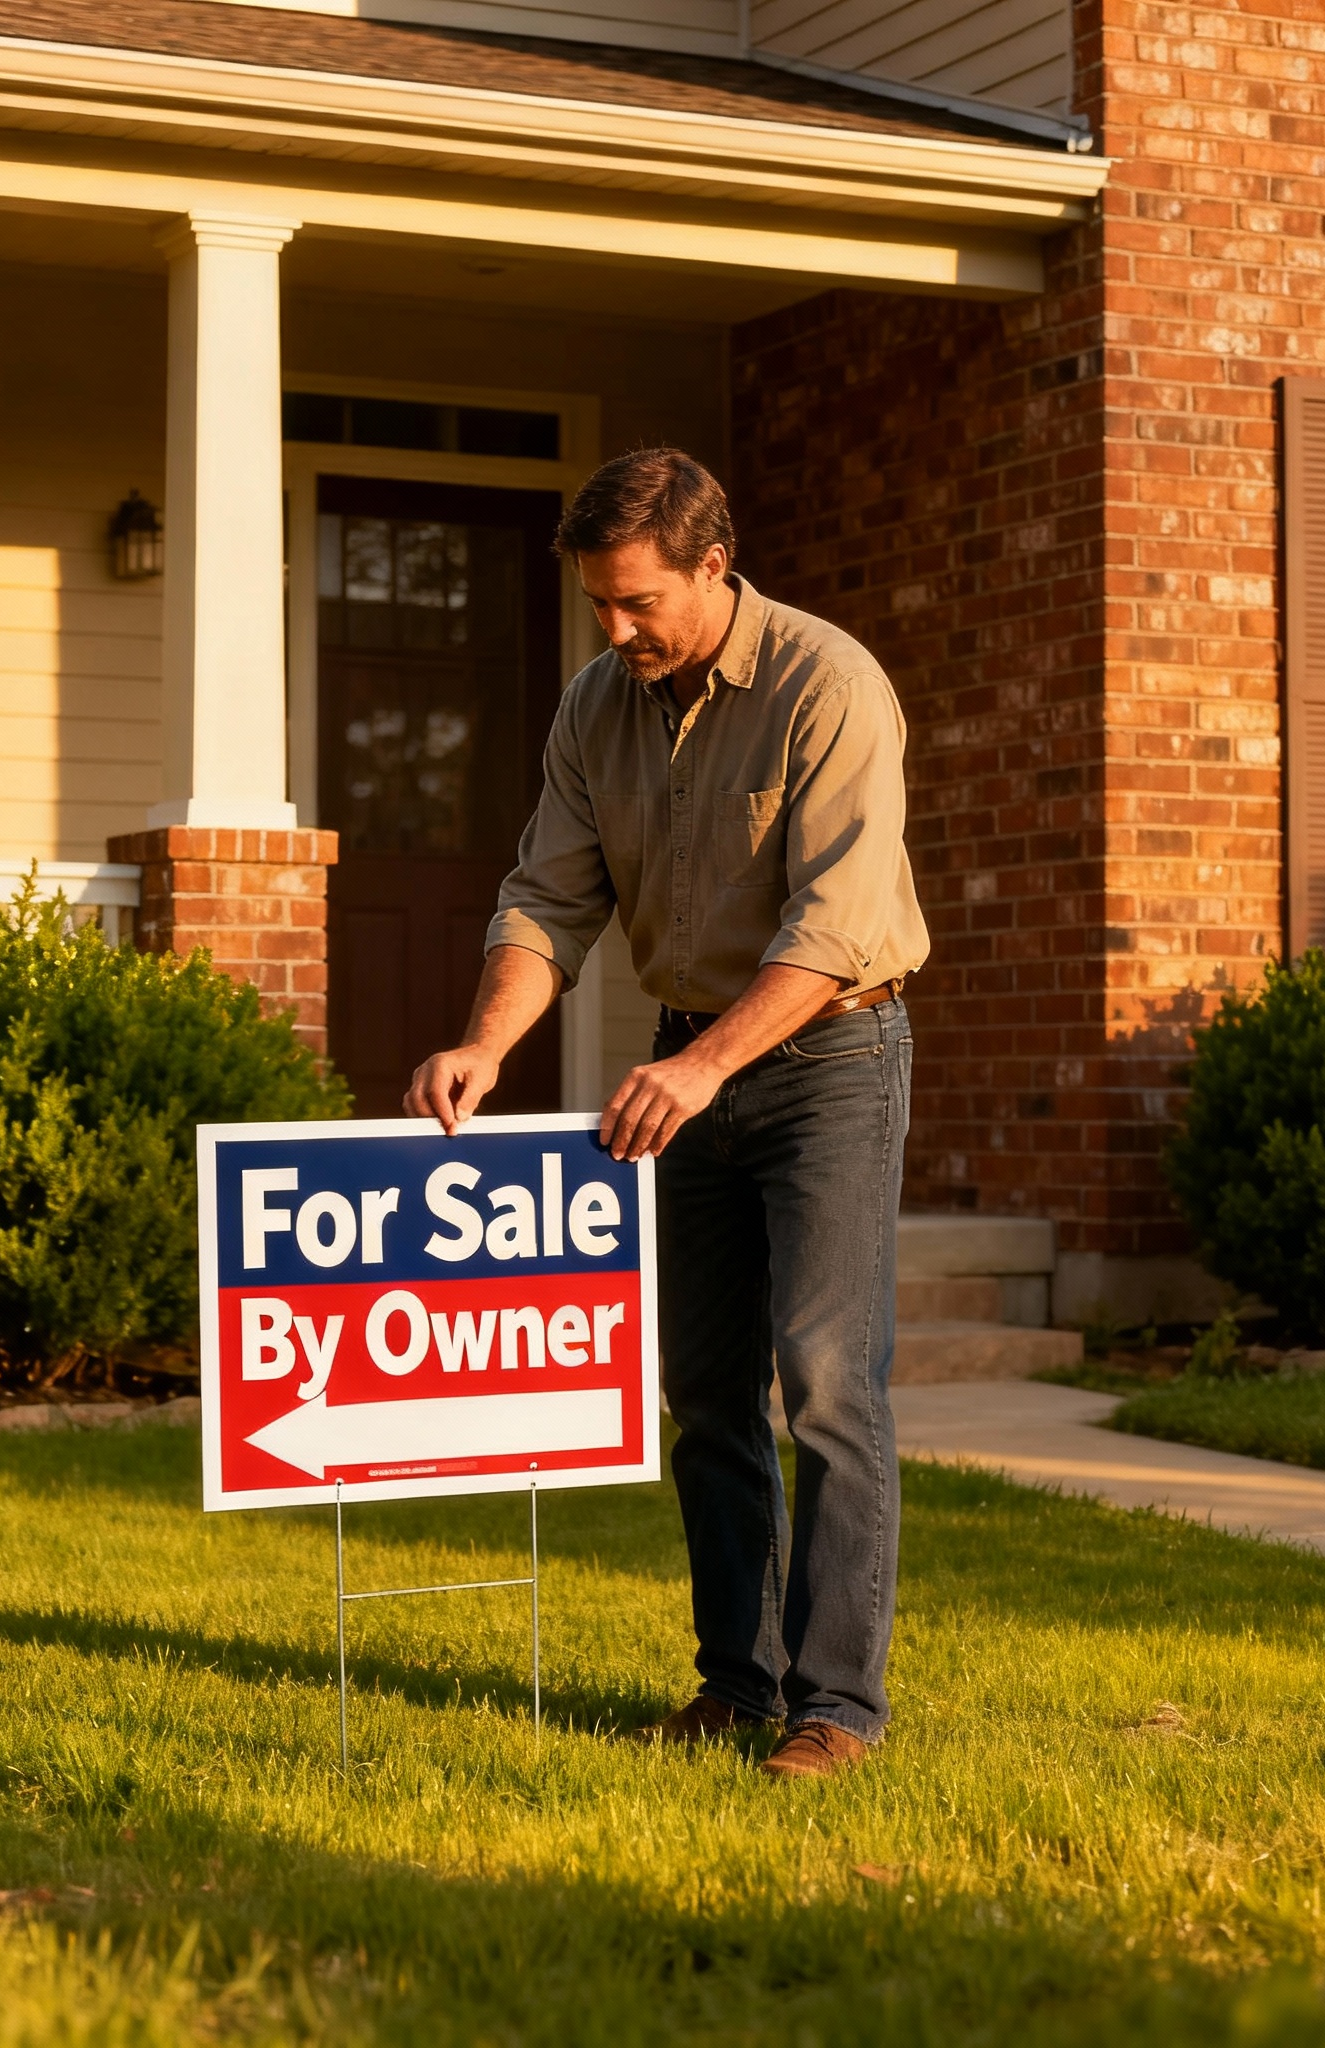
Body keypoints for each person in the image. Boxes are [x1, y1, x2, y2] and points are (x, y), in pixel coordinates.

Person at [403, 448, 928, 1779]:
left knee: (825, 1384)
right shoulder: (597, 706)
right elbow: (547, 898)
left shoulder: (830, 685)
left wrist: (706, 1070)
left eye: (638, 604)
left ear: (713, 564)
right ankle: (738, 1686)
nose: (616, 631)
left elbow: (838, 928)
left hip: (827, 1059)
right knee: (704, 1391)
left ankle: (836, 1711)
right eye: (598, 606)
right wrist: (484, 1043)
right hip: (687, 1061)